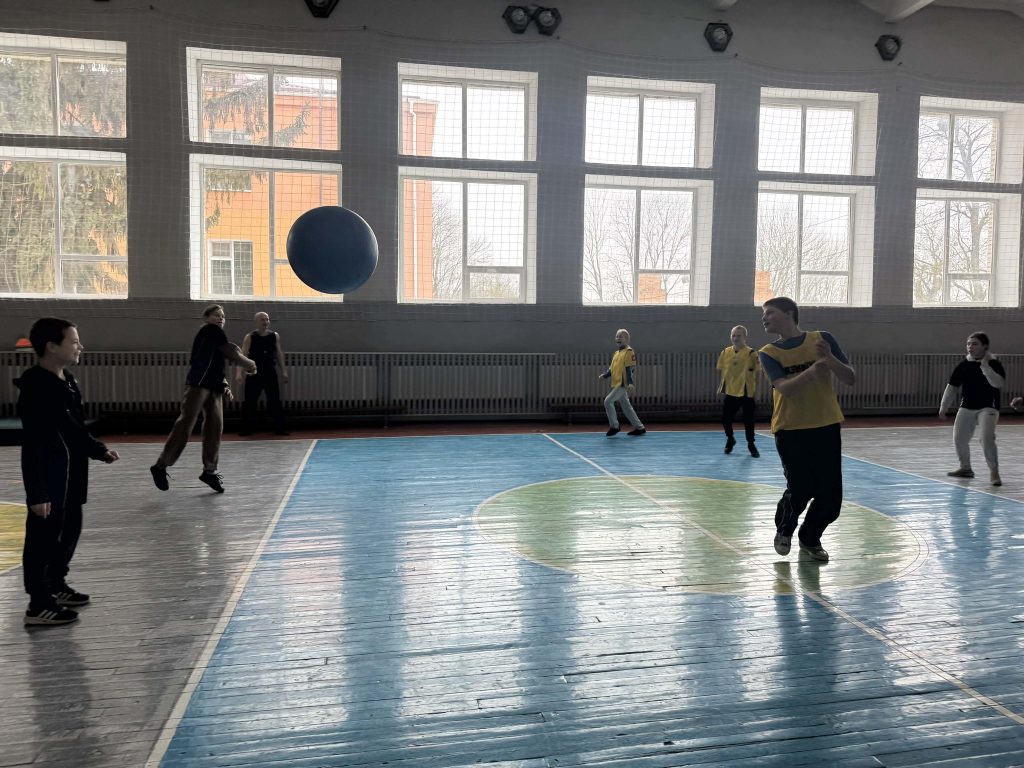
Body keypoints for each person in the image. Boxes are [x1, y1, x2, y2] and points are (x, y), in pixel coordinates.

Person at [15, 318, 119, 626]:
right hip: (49, 477)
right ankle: (38, 604)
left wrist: (97, 450)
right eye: (73, 342)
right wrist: (37, 492)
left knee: (69, 531)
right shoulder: (36, 388)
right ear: (51, 347)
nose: (80, 347)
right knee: (42, 540)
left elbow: (73, 428)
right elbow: (33, 444)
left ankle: (55, 584)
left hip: (73, 474)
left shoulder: (68, 381)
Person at [758, 297, 856, 563]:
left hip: (826, 425)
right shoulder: (768, 352)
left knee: (831, 499)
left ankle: (810, 538)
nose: (764, 318)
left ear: (789, 313)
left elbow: (850, 378)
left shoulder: (822, 339)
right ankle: (785, 527)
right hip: (790, 429)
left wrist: (829, 359)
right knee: (801, 488)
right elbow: (785, 389)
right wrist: (813, 370)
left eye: (770, 312)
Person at [150, 305, 256, 494]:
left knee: (215, 426)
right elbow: (231, 352)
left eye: (223, 316)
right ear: (206, 318)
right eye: (216, 315)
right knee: (186, 424)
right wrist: (250, 364)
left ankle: (209, 471)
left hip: (214, 387)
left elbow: (216, 362)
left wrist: (224, 384)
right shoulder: (210, 331)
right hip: (199, 384)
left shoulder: (214, 337)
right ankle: (160, 465)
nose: (221, 318)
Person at [938, 332, 1004, 487]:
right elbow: (952, 387)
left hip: (988, 407)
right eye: (968, 344)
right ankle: (965, 468)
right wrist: (943, 407)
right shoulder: (964, 365)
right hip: (967, 406)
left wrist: (985, 366)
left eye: (974, 344)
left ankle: (994, 473)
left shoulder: (994, 363)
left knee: (986, 439)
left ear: (984, 347)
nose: (970, 347)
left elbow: (998, 383)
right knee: (959, 437)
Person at [237, 312, 289, 436]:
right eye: (262, 319)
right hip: (254, 372)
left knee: (274, 400)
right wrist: (239, 373)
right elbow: (243, 355)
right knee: (250, 401)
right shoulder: (250, 337)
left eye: (267, 319)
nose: (265, 322)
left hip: (270, 372)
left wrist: (284, 371)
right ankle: (247, 428)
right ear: (257, 322)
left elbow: (279, 354)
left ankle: (280, 428)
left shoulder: (274, 336)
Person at [716, 325, 760, 457]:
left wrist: (756, 391)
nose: (735, 338)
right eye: (733, 335)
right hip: (731, 391)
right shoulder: (725, 352)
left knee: (748, 420)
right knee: (726, 419)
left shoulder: (752, 354)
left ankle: (751, 444)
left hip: (746, 392)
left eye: (738, 335)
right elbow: (723, 370)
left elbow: (757, 372)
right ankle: (730, 439)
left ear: (745, 337)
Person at [599, 328, 646, 437]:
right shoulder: (616, 353)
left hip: (622, 383)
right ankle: (640, 428)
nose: (618, 338)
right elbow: (612, 369)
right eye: (617, 336)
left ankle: (614, 426)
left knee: (607, 401)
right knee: (626, 407)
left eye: (621, 337)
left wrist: (630, 383)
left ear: (627, 339)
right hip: (615, 383)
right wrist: (605, 375)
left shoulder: (629, 352)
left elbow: (629, 369)